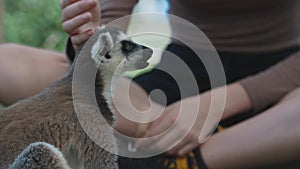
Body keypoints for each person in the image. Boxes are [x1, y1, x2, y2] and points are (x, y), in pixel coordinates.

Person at [1, 0, 300, 168]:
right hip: (182, 73)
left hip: (286, 76)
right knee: (8, 62)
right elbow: (111, 20)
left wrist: (226, 100)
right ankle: (156, 134)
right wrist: (91, 35)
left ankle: (180, 161)